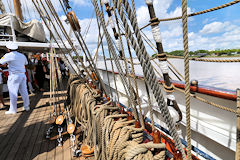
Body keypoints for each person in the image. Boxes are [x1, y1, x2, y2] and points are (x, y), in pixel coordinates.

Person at [0, 41, 30, 114]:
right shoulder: (22, 55)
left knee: (13, 93)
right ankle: (26, 106)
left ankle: (13, 110)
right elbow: (26, 63)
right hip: (22, 75)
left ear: (9, 49)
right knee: (24, 92)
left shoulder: (8, 55)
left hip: (14, 76)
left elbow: (0, 62)